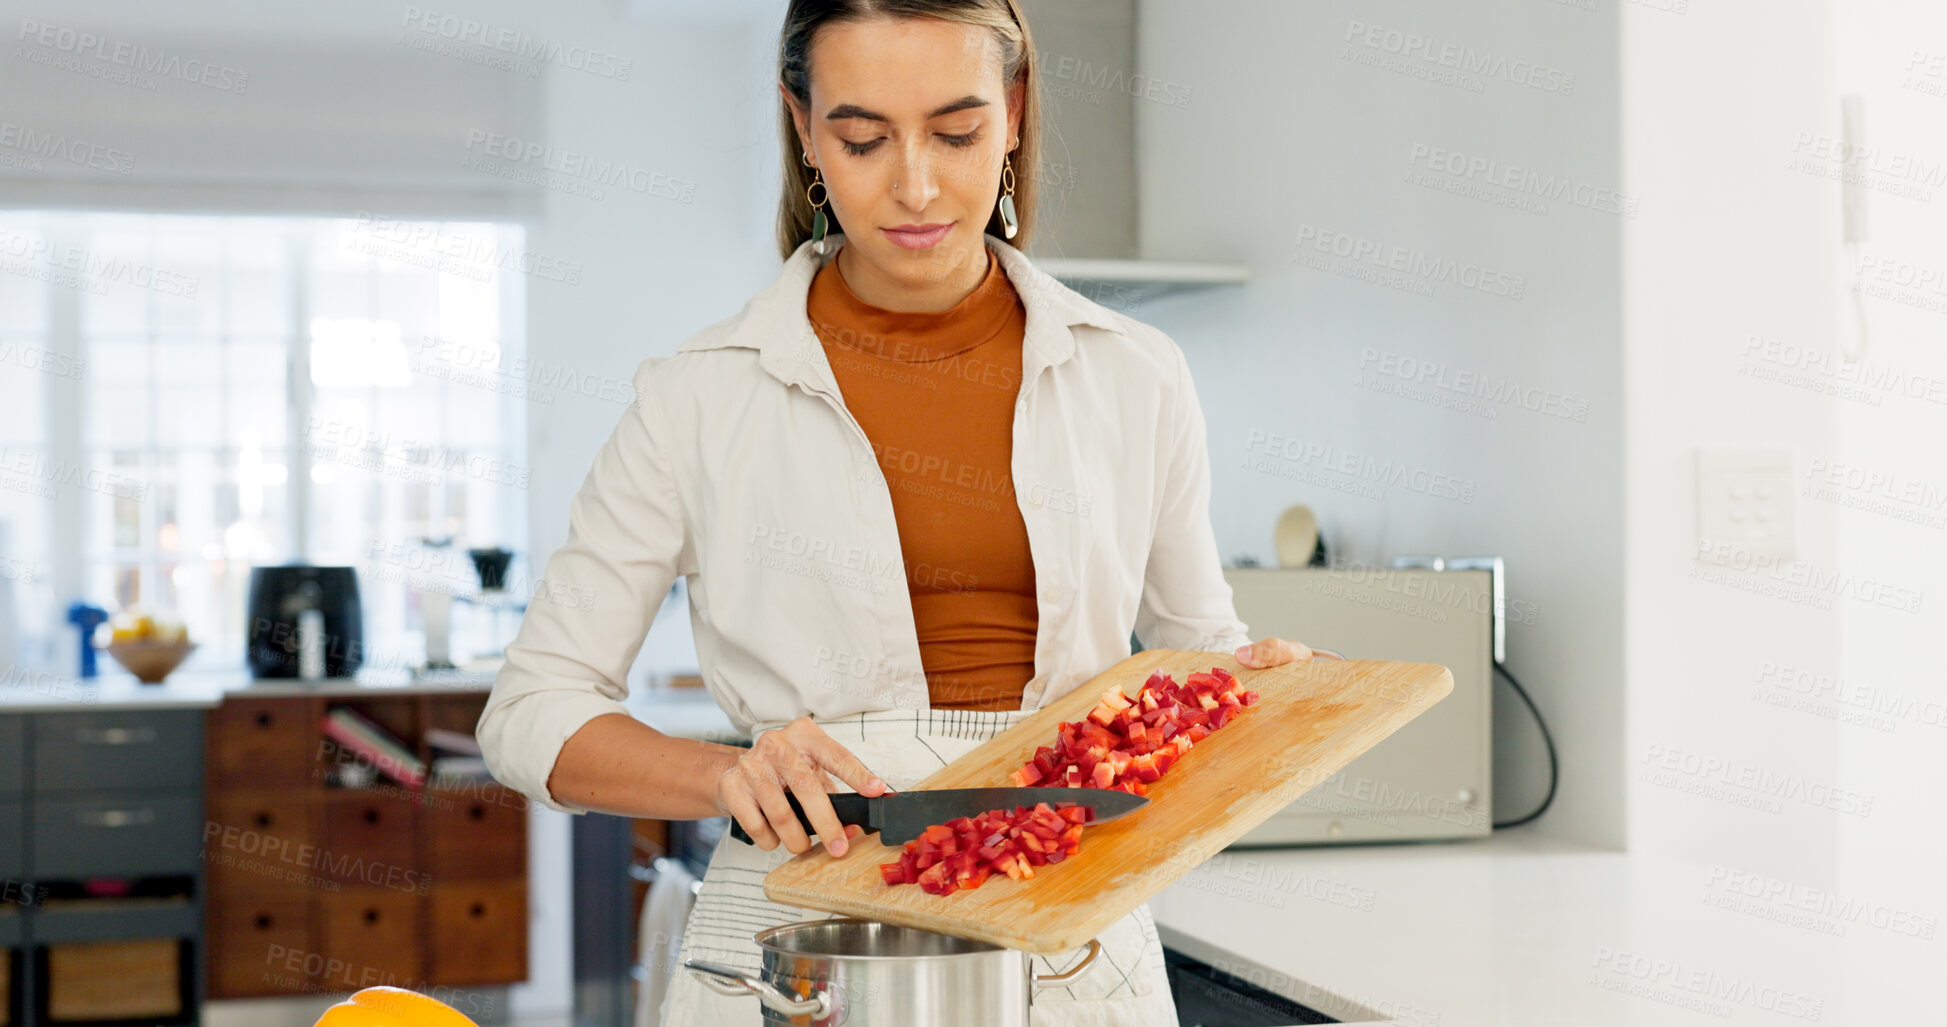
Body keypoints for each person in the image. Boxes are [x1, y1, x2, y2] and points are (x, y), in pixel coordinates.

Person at [476, 2, 1321, 1023]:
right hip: (799, 941)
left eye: (956, 133)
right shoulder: (698, 395)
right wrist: (726, 774)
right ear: (804, 128)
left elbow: (1195, 652)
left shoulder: (1135, 375)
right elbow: (530, 713)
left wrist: (1251, 688)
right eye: (863, 137)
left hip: (1072, 938)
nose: (915, 184)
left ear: (1012, 114)